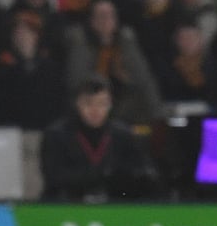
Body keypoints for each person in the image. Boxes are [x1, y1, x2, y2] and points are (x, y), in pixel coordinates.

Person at [39, 74, 159, 202]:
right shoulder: (57, 134)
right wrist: (100, 175)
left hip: (113, 205)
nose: (95, 110)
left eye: (102, 103)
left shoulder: (122, 134)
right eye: (88, 103)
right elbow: (54, 176)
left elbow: (141, 170)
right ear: (77, 103)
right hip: (69, 205)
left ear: (111, 104)